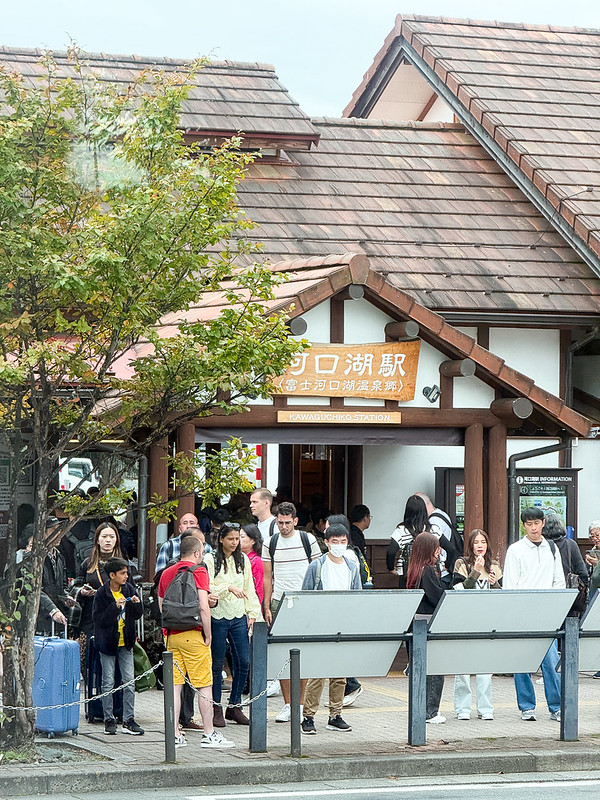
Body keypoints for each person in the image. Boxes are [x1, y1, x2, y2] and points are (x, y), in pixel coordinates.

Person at [157, 535, 235, 749]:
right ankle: (209, 733)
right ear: (197, 553)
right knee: (204, 685)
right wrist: (208, 634)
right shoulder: (199, 571)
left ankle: (174, 734)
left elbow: (162, 605)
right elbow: (203, 607)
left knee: (175, 687)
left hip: (173, 635)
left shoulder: (166, 573)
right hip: (194, 633)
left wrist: (168, 631)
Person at [503, 506, 565, 722]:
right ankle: (526, 706)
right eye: (529, 524)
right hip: (522, 612)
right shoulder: (516, 550)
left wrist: (556, 607)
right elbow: (510, 585)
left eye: (536, 523)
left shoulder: (551, 548)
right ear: (523, 526)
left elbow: (559, 580)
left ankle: (556, 706)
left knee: (550, 662)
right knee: (522, 662)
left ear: (543, 522)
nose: (533, 527)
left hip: (547, 613)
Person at [262, 501, 321, 722]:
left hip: (305, 600)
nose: (283, 526)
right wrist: (266, 605)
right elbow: (267, 576)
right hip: (280, 600)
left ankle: (300, 703)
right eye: (280, 522)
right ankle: (288, 704)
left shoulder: (308, 539)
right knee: (282, 654)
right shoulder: (271, 542)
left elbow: (317, 572)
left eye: (287, 522)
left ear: (295, 521)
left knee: (303, 654)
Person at [300, 523, 361, 735]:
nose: (339, 546)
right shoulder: (316, 567)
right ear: (326, 543)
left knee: (340, 674)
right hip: (320, 624)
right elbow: (305, 595)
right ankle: (308, 716)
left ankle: (336, 714)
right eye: (334, 542)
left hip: (344, 625)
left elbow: (358, 597)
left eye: (343, 542)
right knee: (317, 673)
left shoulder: (352, 567)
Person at [204, 523, 262, 726]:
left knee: (244, 661)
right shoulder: (210, 559)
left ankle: (235, 704)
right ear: (221, 539)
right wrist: (227, 587)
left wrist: (253, 612)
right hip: (218, 615)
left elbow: (249, 587)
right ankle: (216, 706)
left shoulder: (243, 559)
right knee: (217, 663)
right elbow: (207, 585)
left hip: (238, 615)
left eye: (237, 539)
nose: (235, 543)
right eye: (231, 539)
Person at [452, 529, 502, 721]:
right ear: (470, 545)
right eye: (476, 542)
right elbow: (458, 591)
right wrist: (474, 572)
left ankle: (485, 708)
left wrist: (495, 583)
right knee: (463, 669)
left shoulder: (494, 566)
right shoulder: (461, 564)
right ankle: (463, 709)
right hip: (465, 620)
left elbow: (502, 595)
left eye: (483, 542)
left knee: (485, 669)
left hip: (487, 620)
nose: (480, 546)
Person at [91, 557, 144, 735]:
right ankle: (108, 719)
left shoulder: (128, 588)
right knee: (108, 682)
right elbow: (99, 619)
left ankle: (128, 719)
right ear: (112, 575)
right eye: (122, 573)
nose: (126, 576)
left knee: (129, 681)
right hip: (107, 643)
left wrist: (137, 604)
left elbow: (137, 615)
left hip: (126, 642)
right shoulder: (101, 593)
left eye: (127, 573)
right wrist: (115, 607)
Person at [406, 532, 447, 724]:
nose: (439, 551)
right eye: (436, 547)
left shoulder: (414, 569)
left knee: (421, 671)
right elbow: (437, 596)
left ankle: (420, 710)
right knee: (435, 670)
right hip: (429, 623)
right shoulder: (428, 571)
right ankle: (430, 711)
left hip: (416, 622)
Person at [72, 522, 129, 636]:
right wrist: (82, 591)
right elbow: (75, 585)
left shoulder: (124, 565)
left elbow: (130, 590)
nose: (108, 540)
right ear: (97, 540)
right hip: (91, 616)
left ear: (116, 540)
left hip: (117, 615)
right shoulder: (88, 563)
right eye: (104, 536)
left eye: (112, 537)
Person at [543, 512, 588, 616]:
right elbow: (582, 573)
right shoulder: (570, 544)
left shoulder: (542, 546)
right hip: (569, 596)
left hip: (545, 594)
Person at [387, 495, 431, 588]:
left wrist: (391, 568)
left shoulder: (401, 530)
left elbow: (391, 552)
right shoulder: (433, 529)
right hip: (429, 573)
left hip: (407, 573)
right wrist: (445, 567)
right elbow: (450, 549)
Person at [239, 523, 264, 606]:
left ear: (253, 540)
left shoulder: (257, 561)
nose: (238, 540)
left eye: (242, 537)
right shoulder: (238, 558)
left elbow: (259, 588)